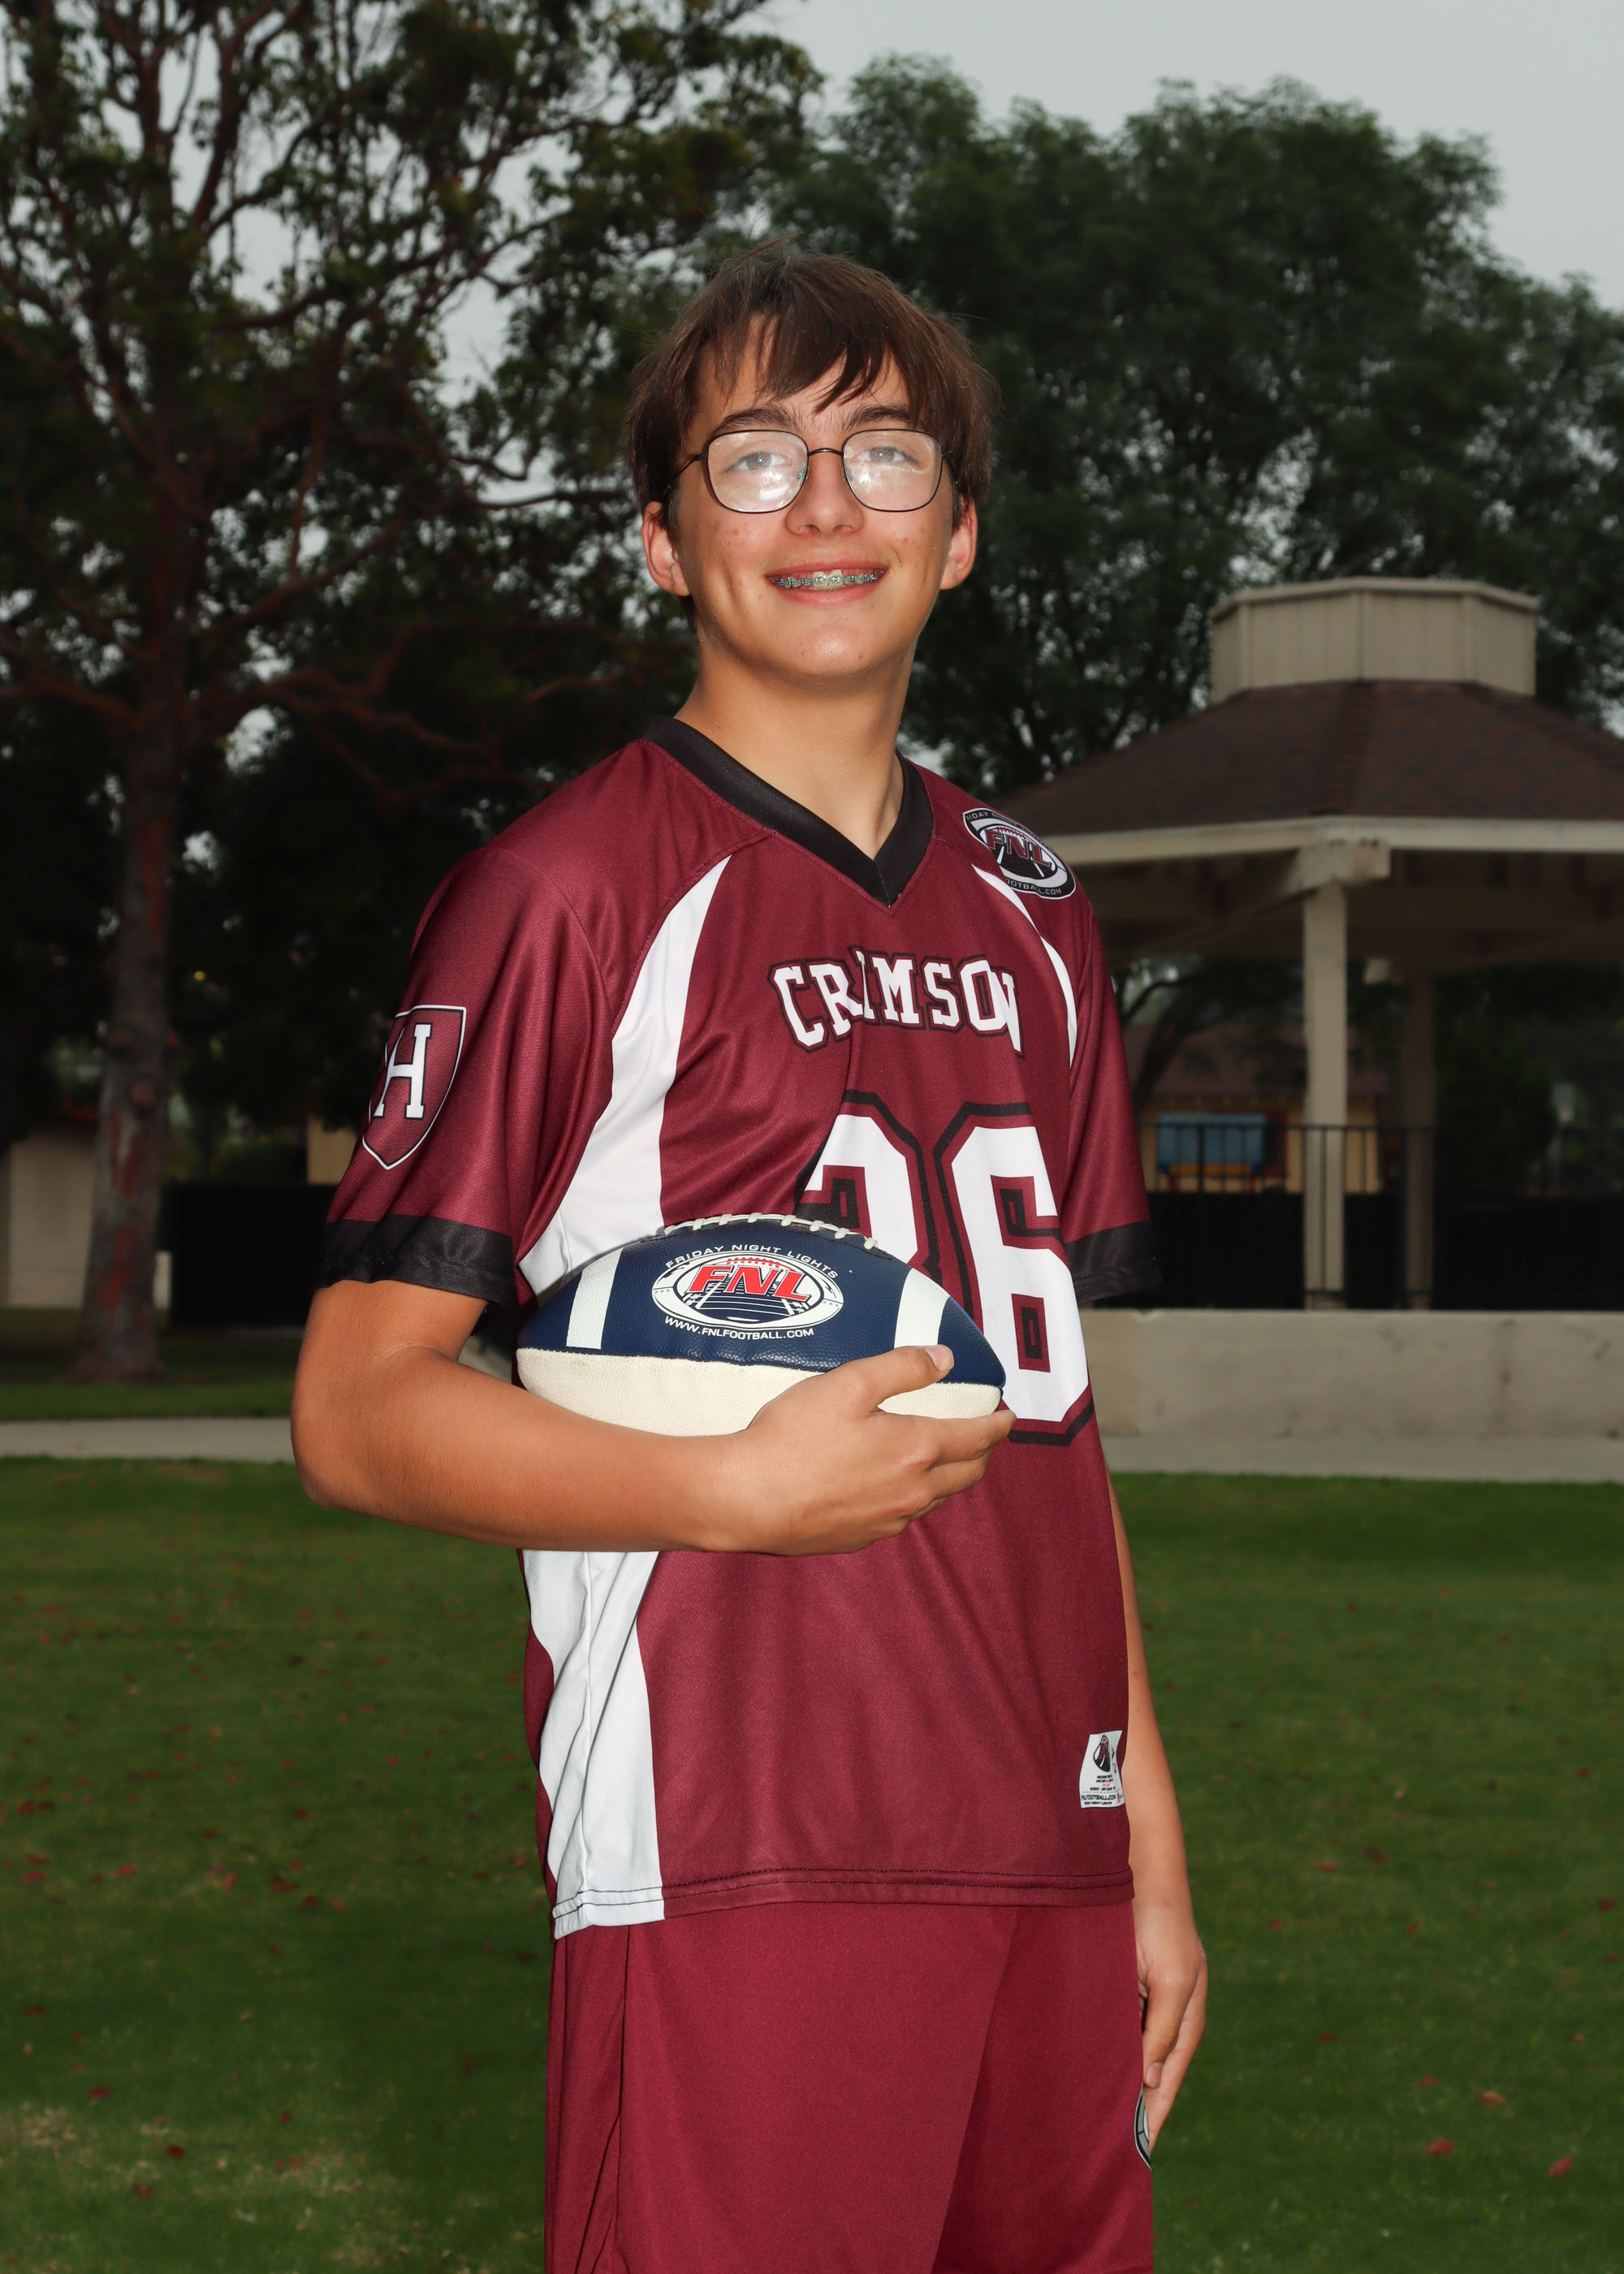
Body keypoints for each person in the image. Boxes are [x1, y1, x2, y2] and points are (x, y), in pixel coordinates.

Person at [293, 245, 1205, 2274]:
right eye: (756, 457)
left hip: (1043, 1844)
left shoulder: (1038, 911)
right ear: (660, 538)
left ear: (958, 533)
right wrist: (729, 1489)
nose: (822, 506)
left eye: (883, 454)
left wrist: (1140, 1829)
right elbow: (353, 1411)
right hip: (740, 1832)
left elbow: (1050, 1425)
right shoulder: (564, 892)